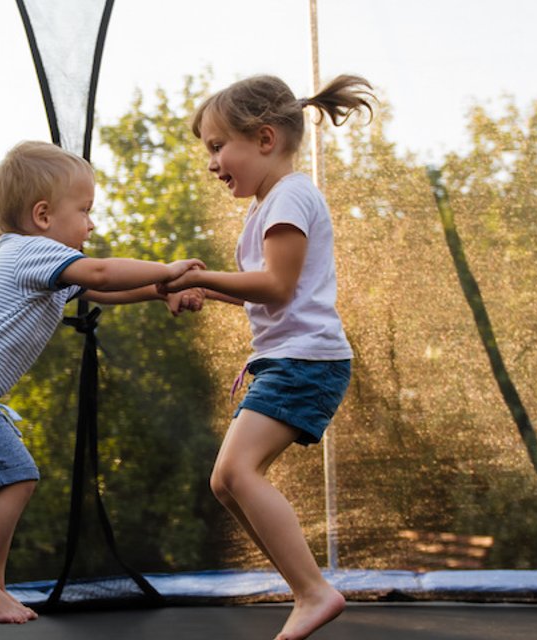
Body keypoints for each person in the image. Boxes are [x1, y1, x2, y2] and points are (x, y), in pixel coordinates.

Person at [0, 140, 205, 624]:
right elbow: (104, 272)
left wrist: (160, 292)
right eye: (85, 210)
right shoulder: (29, 252)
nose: (92, 223)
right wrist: (169, 269)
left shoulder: (39, 262)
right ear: (43, 215)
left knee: (7, 480)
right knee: (15, 477)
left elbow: (107, 288)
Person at [160, 74, 374, 640]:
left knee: (236, 472)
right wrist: (207, 288)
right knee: (226, 484)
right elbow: (271, 292)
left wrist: (204, 276)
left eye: (215, 146)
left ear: (264, 138)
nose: (211, 163)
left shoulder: (291, 195)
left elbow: (276, 286)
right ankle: (305, 587)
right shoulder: (265, 207)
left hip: (308, 362)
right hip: (288, 359)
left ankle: (313, 592)